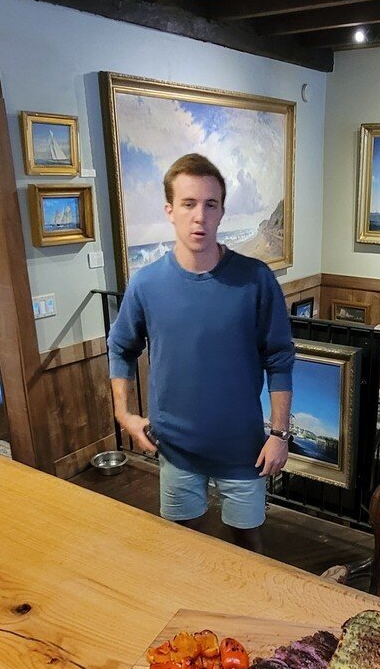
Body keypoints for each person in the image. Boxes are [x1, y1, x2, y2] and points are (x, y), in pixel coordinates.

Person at [107, 153, 294, 553]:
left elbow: (279, 359)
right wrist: (124, 414)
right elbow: (121, 348)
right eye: (189, 204)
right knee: (183, 547)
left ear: (222, 212)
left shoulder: (256, 280)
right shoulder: (146, 284)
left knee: (248, 546)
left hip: (243, 449)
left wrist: (279, 434)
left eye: (210, 205)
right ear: (170, 210)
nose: (200, 217)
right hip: (174, 449)